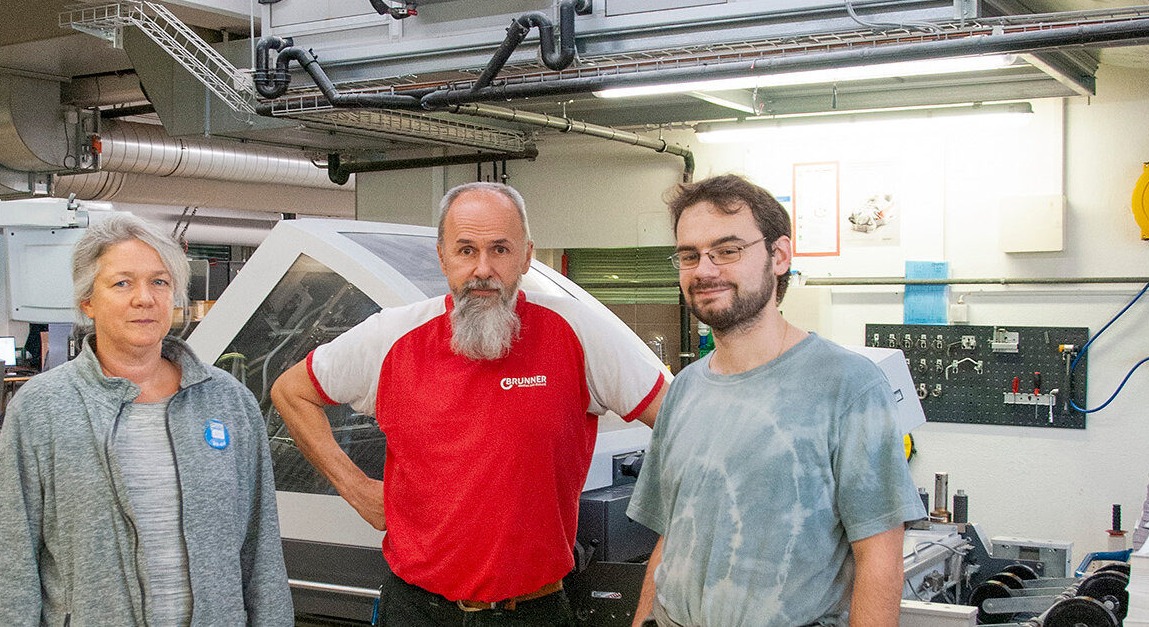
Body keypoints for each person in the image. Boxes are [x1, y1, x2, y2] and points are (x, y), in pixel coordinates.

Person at [270, 182, 670, 626]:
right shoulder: (391, 338)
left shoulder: (576, 331)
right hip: (416, 611)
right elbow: (291, 392)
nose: (483, 269)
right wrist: (357, 488)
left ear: (526, 256)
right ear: (442, 257)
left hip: (532, 613)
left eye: (500, 249)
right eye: (466, 250)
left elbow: (681, 425)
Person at [628, 174, 924, 627]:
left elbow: (880, 559)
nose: (705, 270)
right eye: (690, 255)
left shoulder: (848, 386)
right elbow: (673, 541)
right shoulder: (684, 389)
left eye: (727, 250)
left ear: (779, 255)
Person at [0, 214, 293, 626]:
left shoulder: (227, 400)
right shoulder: (43, 407)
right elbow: (11, 561)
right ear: (87, 301)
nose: (144, 298)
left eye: (159, 282)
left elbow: (261, 549)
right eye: (122, 283)